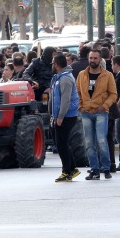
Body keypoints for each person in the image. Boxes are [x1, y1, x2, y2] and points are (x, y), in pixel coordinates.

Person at [76, 49, 118, 180]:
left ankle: (106, 168)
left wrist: (105, 106)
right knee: (89, 143)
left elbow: (113, 94)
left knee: (101, 140)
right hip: (86, 112)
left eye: (95, 58)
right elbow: (76, 92)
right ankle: (94, 169)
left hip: (101, 112)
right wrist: (80, 106)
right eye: (91, 58)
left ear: (100, 60)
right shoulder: (82, 75)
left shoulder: (108, 75)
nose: (92, 60)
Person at [49, 53, 81, 183]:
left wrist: (60, 116)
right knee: (61, 143)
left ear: (56, 64)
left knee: (62, 144)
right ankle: (71, 169)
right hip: (59, 116)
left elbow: (65, 100)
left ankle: (67, 171)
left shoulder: (65, 79)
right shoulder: (59, 78)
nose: (52, 65)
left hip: (66, 116)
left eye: (53, 63)